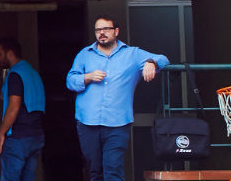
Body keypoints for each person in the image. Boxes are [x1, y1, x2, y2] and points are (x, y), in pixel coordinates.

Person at [66, 16, 169, 181]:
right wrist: (88, 77)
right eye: (98, 30)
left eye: (106, 29)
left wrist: (151, 62)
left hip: (117, 123)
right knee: (95, 171)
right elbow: (70, 81)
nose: (102, 33)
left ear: (116, 31)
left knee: (113, 170)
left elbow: (163, 58)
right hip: (88, 121)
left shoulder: (132, 54)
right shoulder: (84, 55)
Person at [0, 38, 45, 181]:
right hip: (36, 136)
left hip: (17, 138)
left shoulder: (15, 74)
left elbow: (13, 107)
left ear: (9, 53)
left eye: (0, 54)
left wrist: (1, 133)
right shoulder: (33, 73)